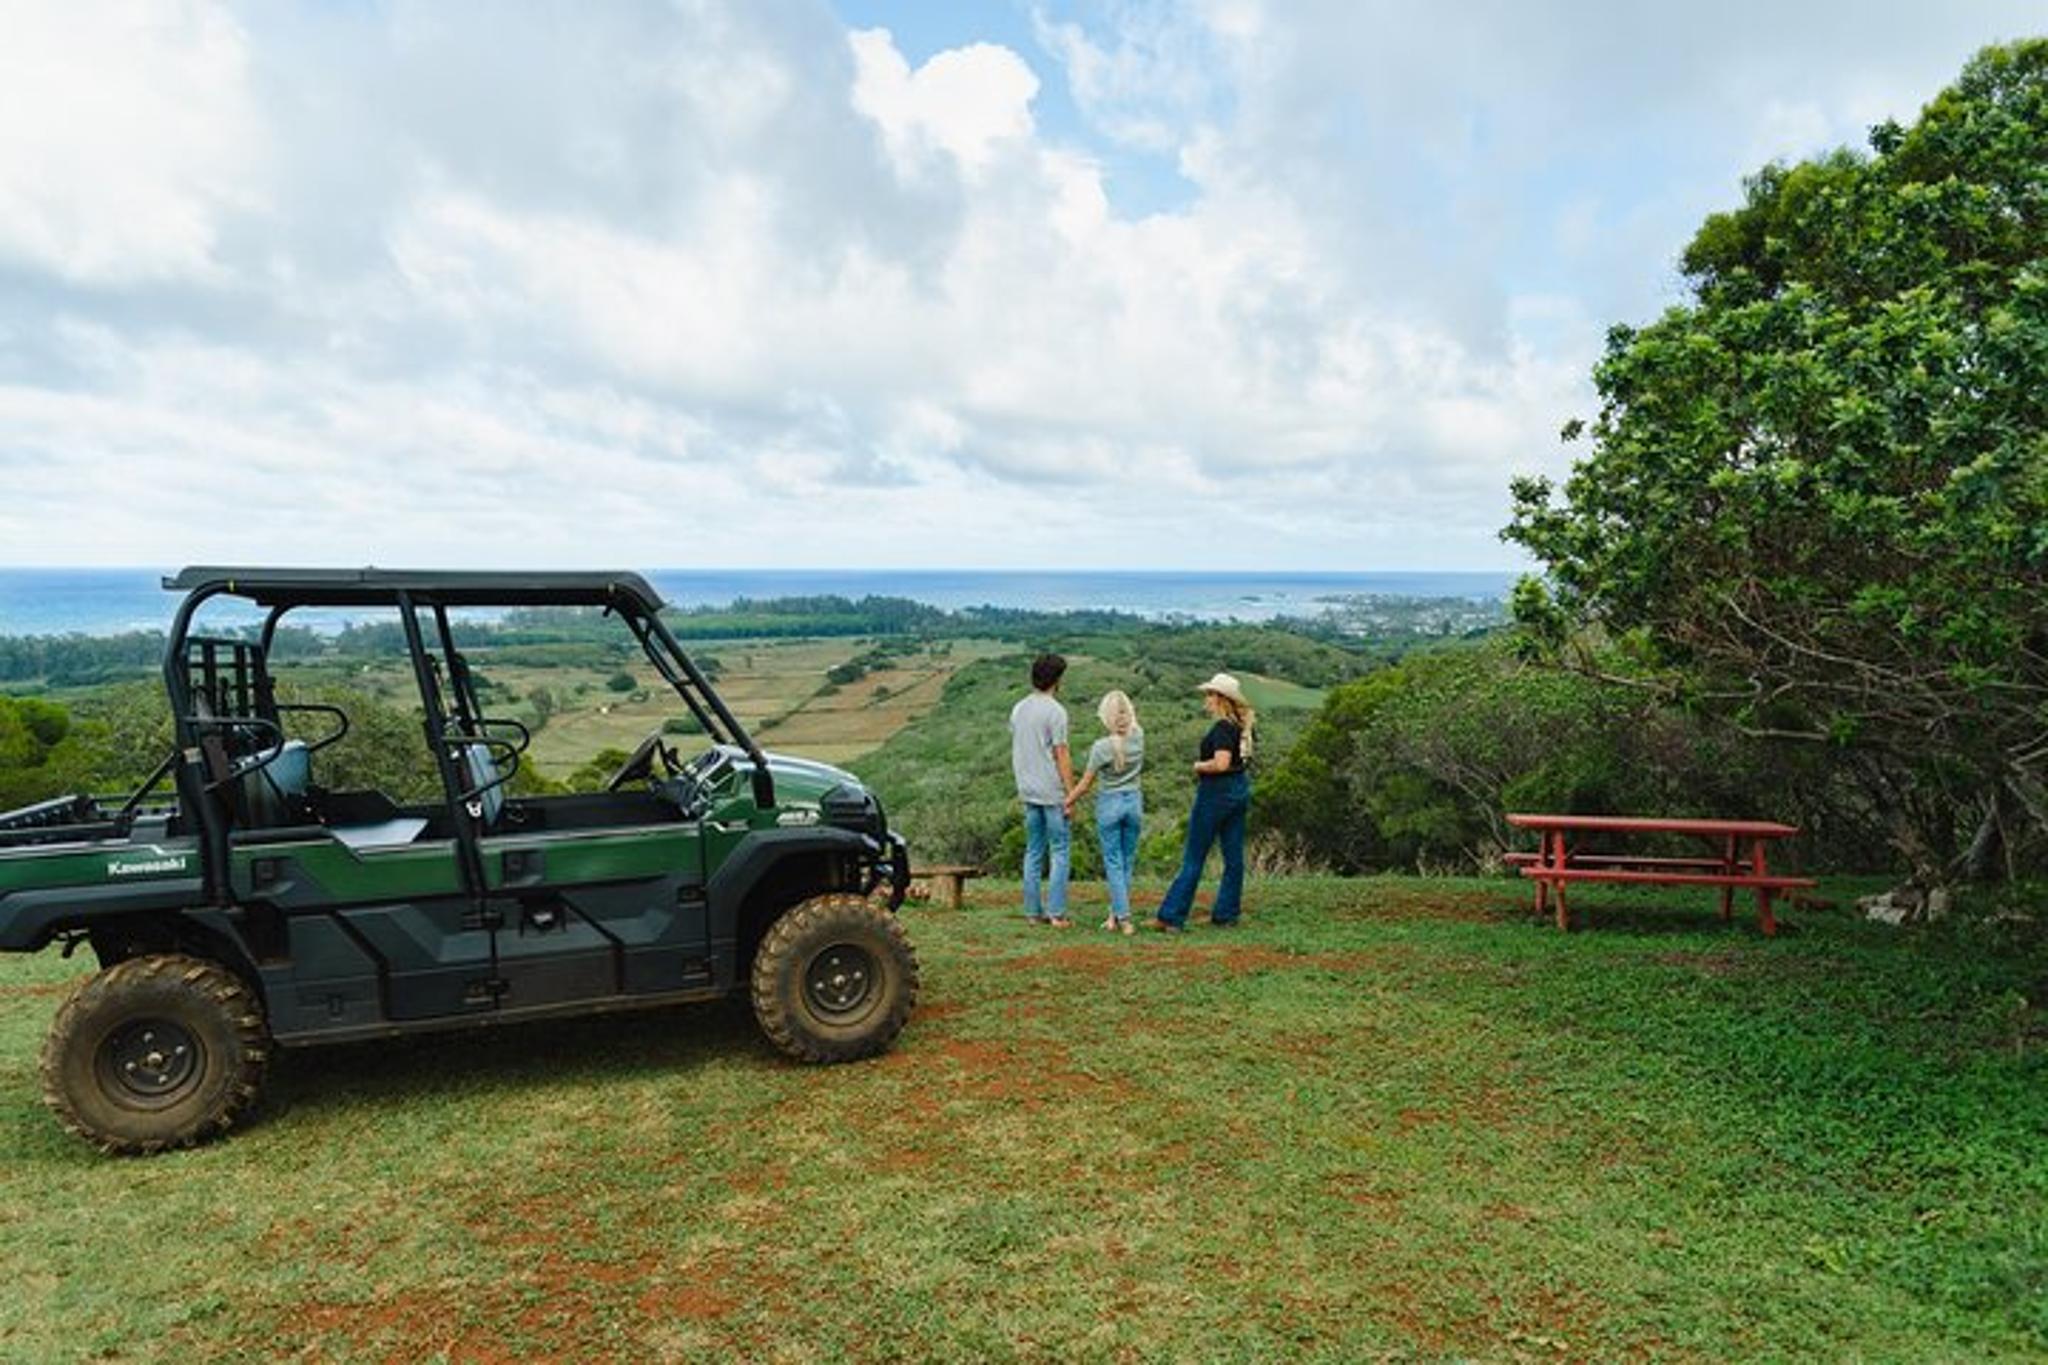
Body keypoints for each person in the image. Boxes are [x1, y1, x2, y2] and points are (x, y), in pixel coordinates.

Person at [1154, 673, 1256, 932]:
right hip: (1239, 790)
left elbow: (1221, 763)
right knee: (1233, 857)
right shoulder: (1243, 726)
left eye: (1210, 694)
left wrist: (1198, 765)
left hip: (1215, 793)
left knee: (1194, 856)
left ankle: (1171, 916)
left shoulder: (1222, 727)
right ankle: (1227, 914)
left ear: (1222, 699)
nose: (1206, 699)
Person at [1065, 690, 1143, 935]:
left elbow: (1085, 784)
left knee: (1113, 863)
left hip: (1110, 803)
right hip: (1134, 803)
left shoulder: (1101, 748)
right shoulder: (1139, 737)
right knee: (1126, 862)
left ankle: (1124, 918)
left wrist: (1067, 801)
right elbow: (1132, 727)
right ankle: (1114, 917)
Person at [1010, 653, 1074, 927]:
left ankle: (1032, 912)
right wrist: (1071, 793)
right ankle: (1056, 913)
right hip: (1051, 789)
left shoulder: (1019, 708)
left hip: (1027, 788)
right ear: (1056, 680)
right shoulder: (1056, 712)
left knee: (1033, 851)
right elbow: (1061, 755)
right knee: (1059, 849)